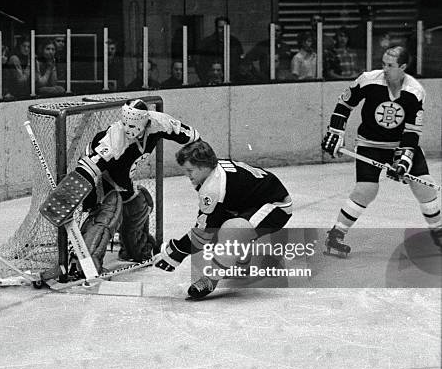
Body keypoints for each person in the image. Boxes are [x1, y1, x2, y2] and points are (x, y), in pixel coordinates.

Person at [40, 98, 200, 276]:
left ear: (145, 122)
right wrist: (68, 196)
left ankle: (134, 250)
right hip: (98, 180)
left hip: (122, 181)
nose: (128, 129)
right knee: (109, 212)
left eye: (133, 125)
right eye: (125, 124)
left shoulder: (158, 122)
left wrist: (201, 157)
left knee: (140, 204)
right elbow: (87, 169)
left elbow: (191, 135)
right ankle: (83, 262)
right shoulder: (114, 137)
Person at [321, 46, 441, 256]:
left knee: (426, 187)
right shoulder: (369, 80)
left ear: (403, 67)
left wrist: (403, 161)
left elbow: (412, 132)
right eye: (383, 63)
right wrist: (335, 131)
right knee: (366, 189)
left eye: (390, 65)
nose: (384, 69)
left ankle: (438, 233)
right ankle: (336, 235)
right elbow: (345, 103)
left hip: (400, 144)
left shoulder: (415, 91)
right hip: (370, 144)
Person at [153, 140, 293, 299]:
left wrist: (177, 252)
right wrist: (179, 250)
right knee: (221, 230)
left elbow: (203, 233)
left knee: (232, 230)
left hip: (276, 206)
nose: (187, 175)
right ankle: (241, 264)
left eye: (190, 170)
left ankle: (211, 280)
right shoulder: (212, 173)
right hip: (250, 204)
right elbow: (207, 224)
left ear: (203, 166)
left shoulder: (213, 186)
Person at [195, 16, 244, 84]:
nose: (223, 30)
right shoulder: (207, 43)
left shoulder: (235, 43)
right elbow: (199, 65)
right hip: (211, 83)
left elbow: (240, 63)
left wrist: (235, 80)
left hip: (232, 82)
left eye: (225, 28)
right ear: (216, 28)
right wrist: (206, 81)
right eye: (221, 28)